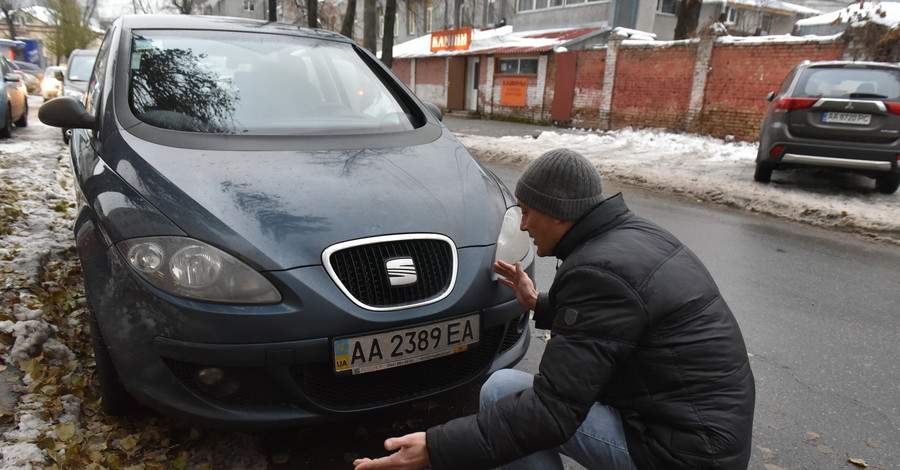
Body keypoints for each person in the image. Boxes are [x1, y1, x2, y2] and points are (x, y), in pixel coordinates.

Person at [353, 149, 756, 470]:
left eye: (527, 212)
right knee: (501, 388)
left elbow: (551, 412)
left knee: (501, 395)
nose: (524, 225)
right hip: (701, 433)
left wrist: (436, 446)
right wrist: (539, 304)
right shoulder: (633, 235)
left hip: (681, 456)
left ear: (559, 213)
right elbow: (620, 320)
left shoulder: (598, 272)